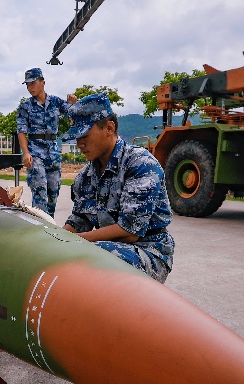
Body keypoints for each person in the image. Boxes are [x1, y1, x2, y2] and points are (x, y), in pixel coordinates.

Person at [61, 93, 174, 283]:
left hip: (149, 252)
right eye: (76, 137)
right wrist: (57, 239)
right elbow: (79, 220)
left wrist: (76, 242)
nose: (79, 144)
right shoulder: (85, 176)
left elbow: (129, 232)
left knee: (88, 257)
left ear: (109, 128)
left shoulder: (140, 164)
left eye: (84, 136)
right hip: (107, 247)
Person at [15, 68, 76, 218]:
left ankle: (50, 224)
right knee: (40, 190)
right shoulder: (25, 106)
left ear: (43, 82)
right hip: (35, 152)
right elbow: (21, 131)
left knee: (53, 191)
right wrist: (26, 153)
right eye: (27, 85)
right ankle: (40, 226)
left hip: (53, 152)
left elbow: (73, 116)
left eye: (32, 83)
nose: (30, 88)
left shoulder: (55, 102)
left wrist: (74, 105)